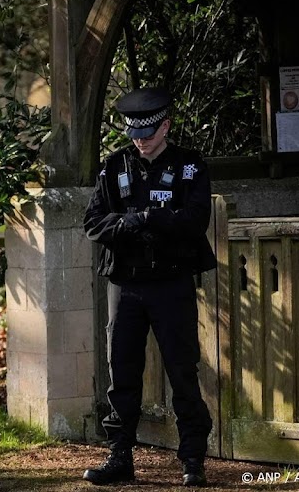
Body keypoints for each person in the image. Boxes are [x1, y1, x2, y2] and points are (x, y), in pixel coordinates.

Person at [82, 87, 216, 487]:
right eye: (134, 132)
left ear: (166, 126)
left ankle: (193, 460)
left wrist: (146, 220)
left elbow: (193, 220)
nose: (140, 139)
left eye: (149, 132)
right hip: (125, 286)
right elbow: (94, 223)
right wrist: (131, 223)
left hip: (171, 284)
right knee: (121, 372)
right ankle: (119, 455)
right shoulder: (114, 167)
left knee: (182, 372)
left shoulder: (189, 167)